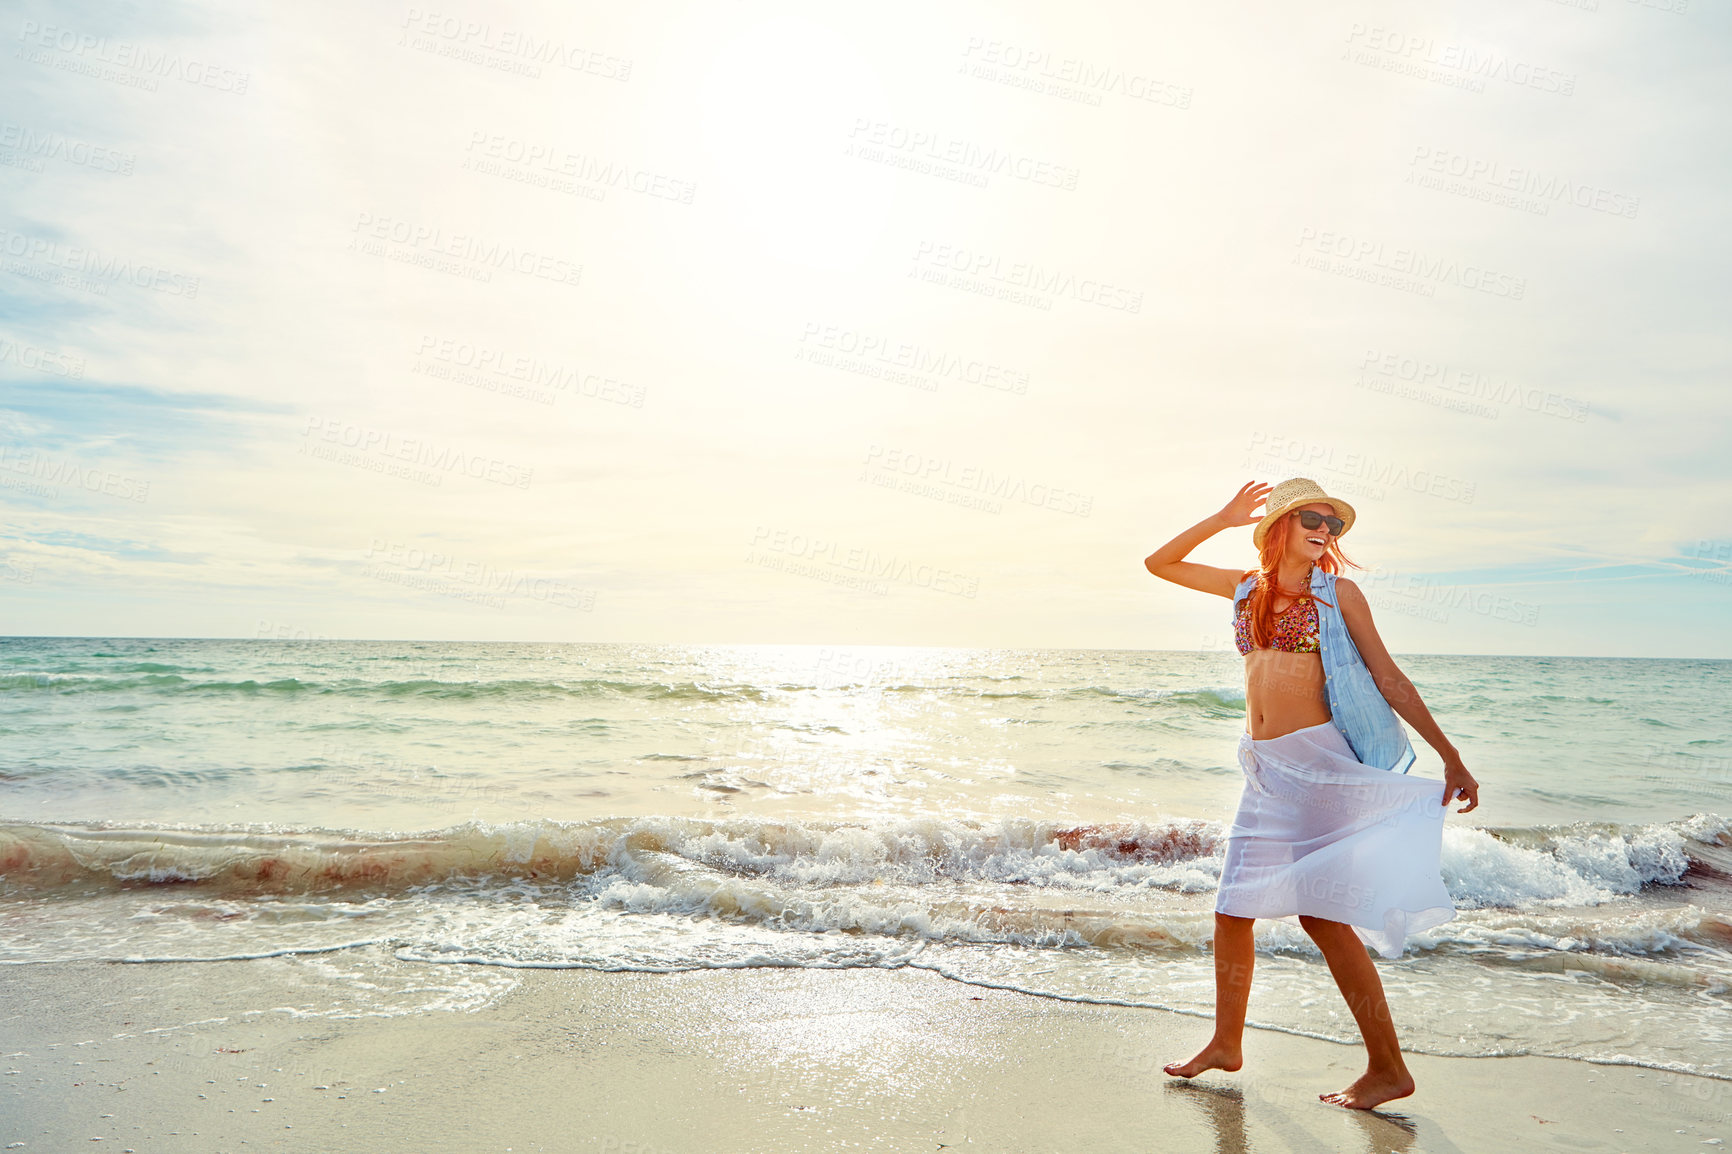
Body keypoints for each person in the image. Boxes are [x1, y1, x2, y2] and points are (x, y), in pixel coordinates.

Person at [1143, 478, 1480, 1110]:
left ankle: (1387, 1068)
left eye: (1335, 523)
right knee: (1232, 910)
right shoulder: (1245, 586)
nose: (1327, 530)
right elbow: (1159, 564)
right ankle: (1225, 1043)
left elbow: (1387, 676)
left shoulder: (1339, 594)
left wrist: (1450, 755)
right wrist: (1220, 517)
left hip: (1321, 766)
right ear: (1279, 525)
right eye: (1314, 519)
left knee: (1323, 917)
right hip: (1266, 769)